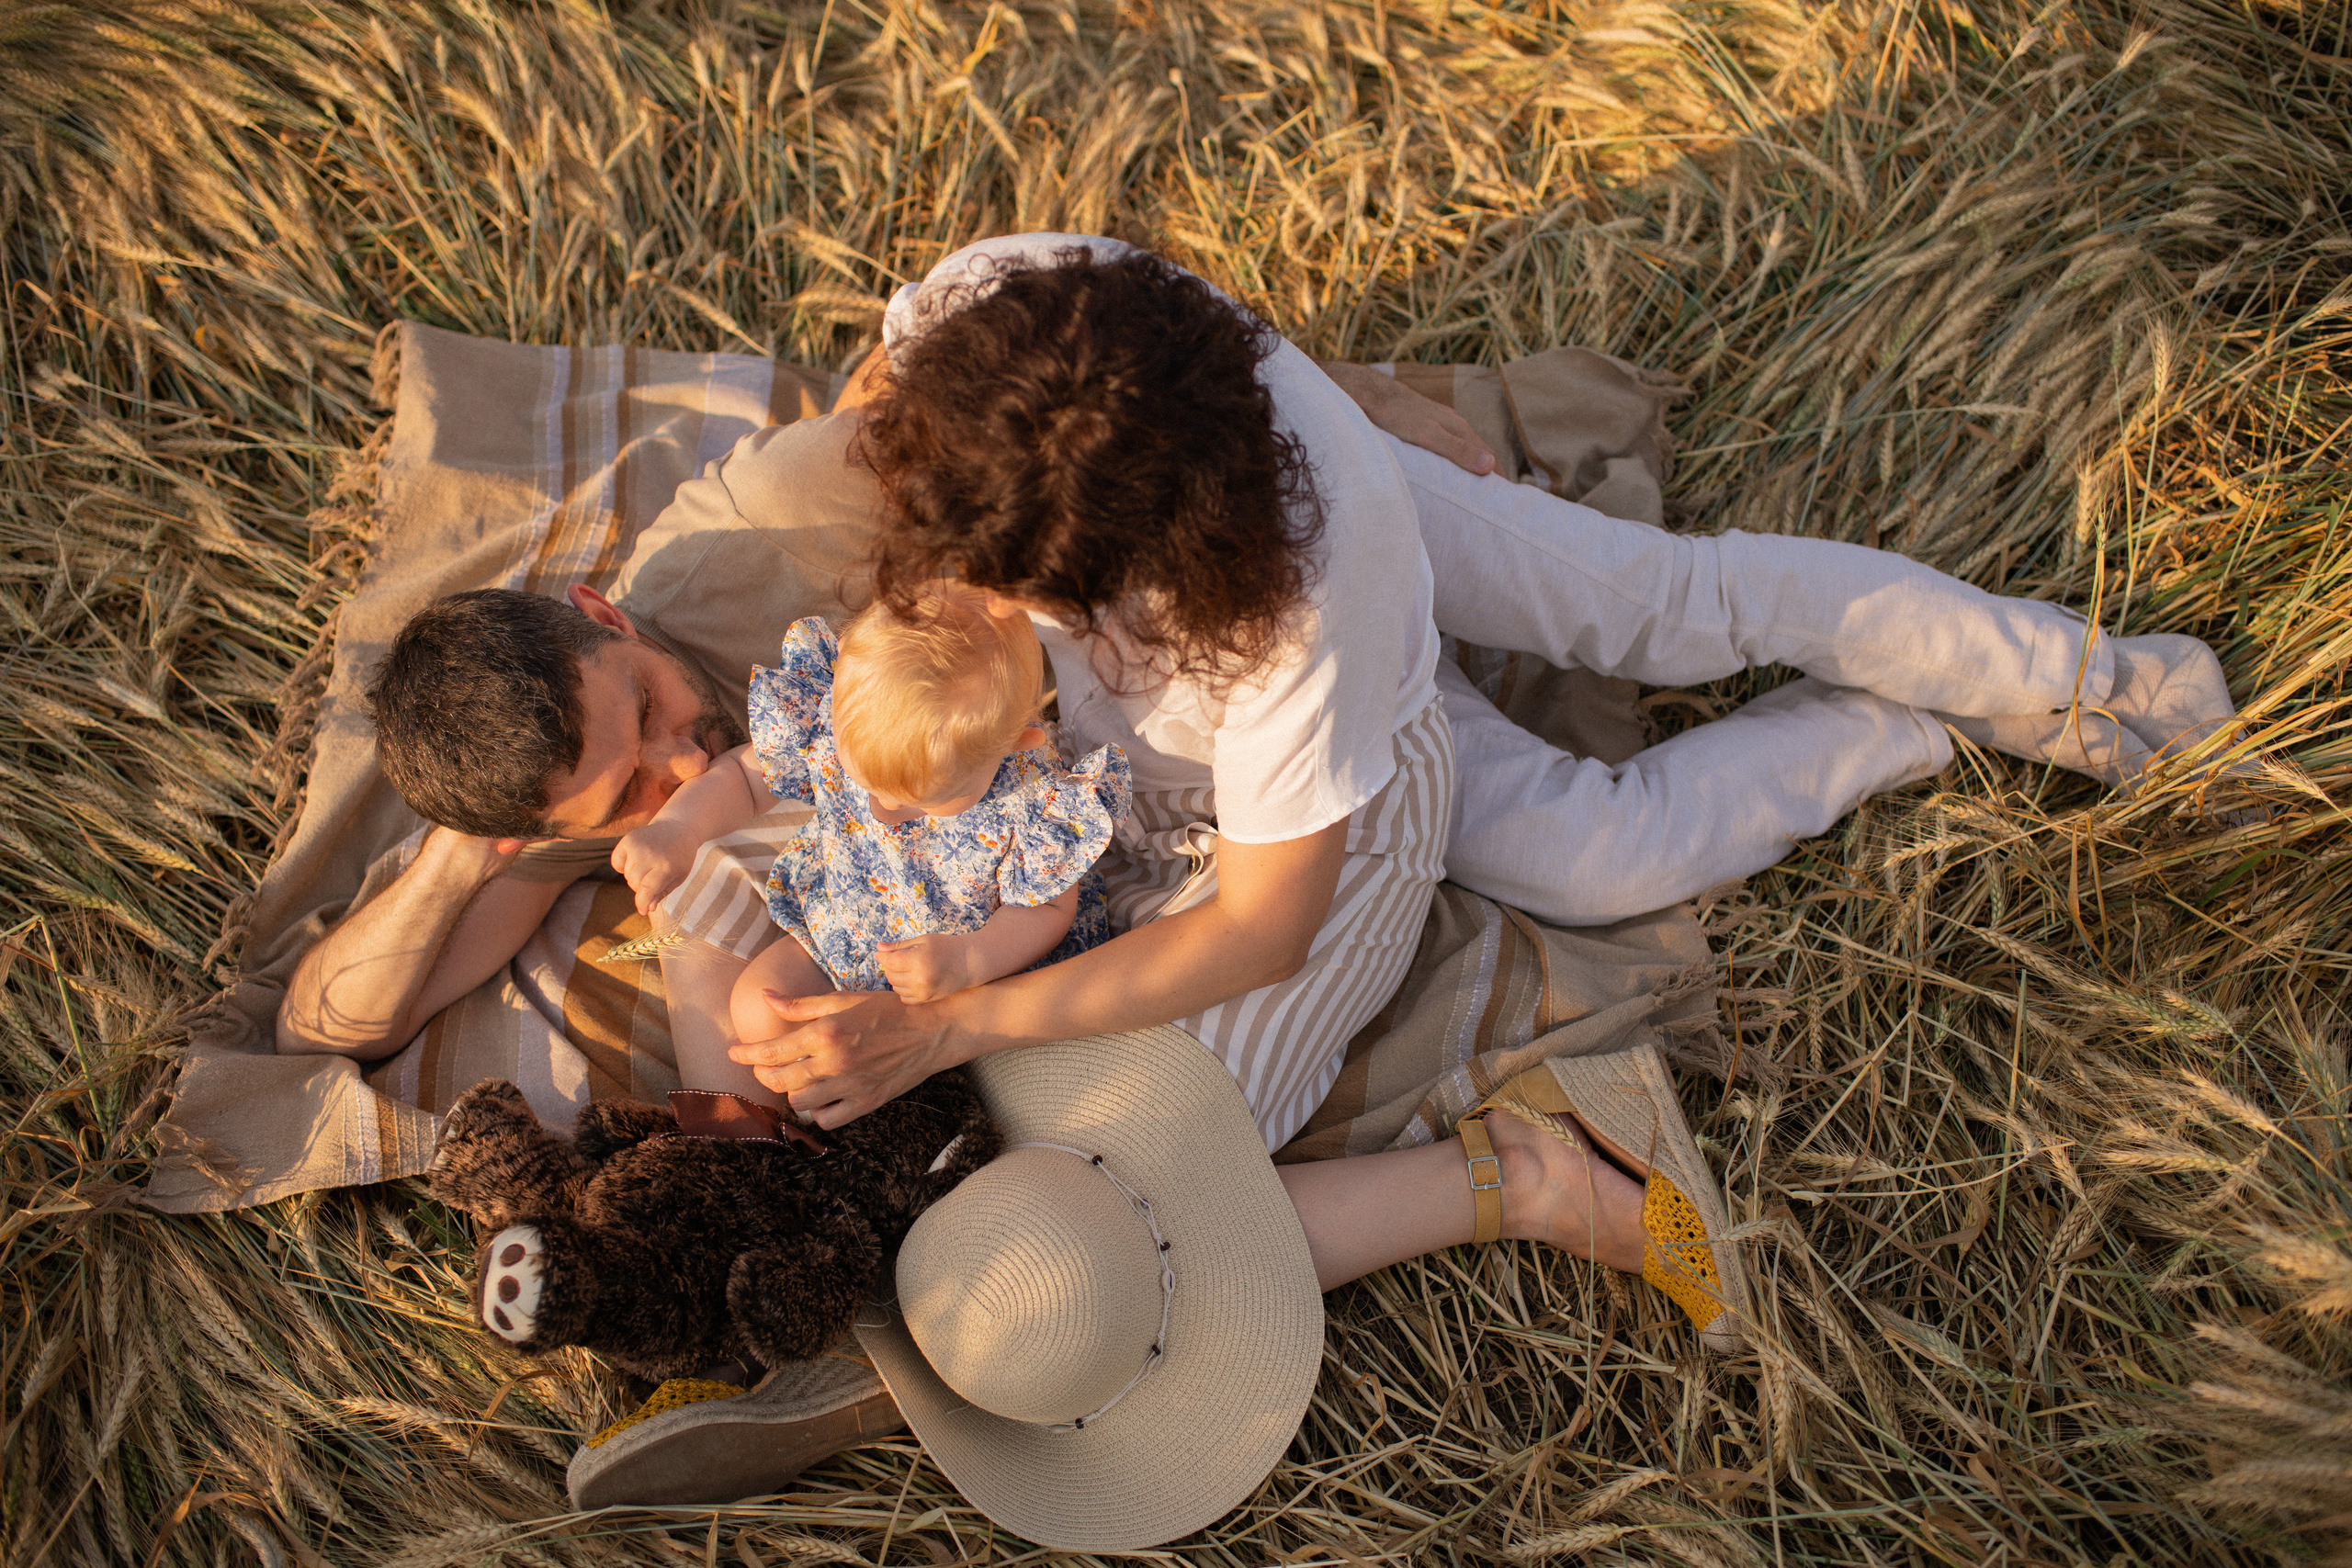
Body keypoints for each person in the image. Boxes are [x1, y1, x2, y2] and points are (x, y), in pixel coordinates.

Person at [277, 233, 2245, 1512]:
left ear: (1119, 569)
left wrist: (949, 1004)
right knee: (1582, 799)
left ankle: (2060, 688)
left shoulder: (1286, 631)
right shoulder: (997, 335)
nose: (953, 588)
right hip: (1205, 620)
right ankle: (1923, 728)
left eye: (1003, 581)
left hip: (1304, 711)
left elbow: (1261, 913)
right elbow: (914, 413)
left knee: (1624, 753)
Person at [608, 586, 1130, 1103]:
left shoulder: (1032, 797)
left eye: (922, 798)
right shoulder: (837, 723)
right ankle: (790, 1138)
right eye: (868, 782)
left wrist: (972, 959)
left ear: (1015, 742)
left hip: (968, 966)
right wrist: (677, 829)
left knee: (992, 1077)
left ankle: (902, 1122)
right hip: (849, 926)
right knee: (756, 1004)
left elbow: (1048, 908)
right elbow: (744, 780)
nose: (884, 809)